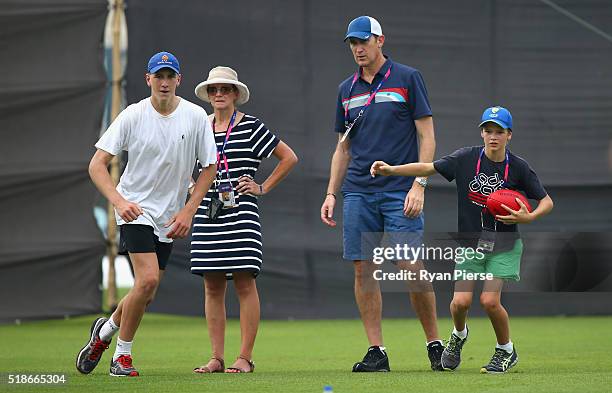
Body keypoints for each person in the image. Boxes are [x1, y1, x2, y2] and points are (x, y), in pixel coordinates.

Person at [371, 105, 554, 373]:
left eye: (499, 131)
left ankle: (506, 350)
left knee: (490, 301)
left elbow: (547, 201)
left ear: (509, 135)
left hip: (504, 245)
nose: (493, 136)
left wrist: (530, 217)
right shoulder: (466, 158)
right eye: (488, 130)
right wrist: (391, 170)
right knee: (460, 303)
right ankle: (458, 335)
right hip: (471, 244)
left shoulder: (518, 167)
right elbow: (428, 167)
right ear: (481, 133)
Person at [76, 51, 218, 377]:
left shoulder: (196, 117)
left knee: (146, 292)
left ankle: (104, 333)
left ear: (179, 80)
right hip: (135, 209)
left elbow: (209, 167)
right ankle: (120, 358)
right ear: (148, 79)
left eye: (170, 76)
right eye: (159, 76)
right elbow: (97, 165)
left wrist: (188, 210)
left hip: (170, 217)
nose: (164, 82)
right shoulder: (132, 115)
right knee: (149, 279)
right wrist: (120, 201)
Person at [320, 16, 443, 372]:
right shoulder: (346, 89)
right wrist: (331, 193)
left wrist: (420, 183)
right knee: (364, 269)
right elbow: (342, 148)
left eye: (363, 41)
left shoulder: (407, 78)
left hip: (400, 189)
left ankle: (435, 343)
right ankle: (377, 352)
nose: (358, 49)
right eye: (352, 44)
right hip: (358, 191)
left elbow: (428, 136)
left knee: (409, 264)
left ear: (380, 41)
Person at [190, 66, 298, 374]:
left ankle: (245, 358)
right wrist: (191, 187)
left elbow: (289, 157)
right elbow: (183, 159)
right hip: (208, 213)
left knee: (244, 283)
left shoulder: (251, 126)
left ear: (236, 94)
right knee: (211, 286)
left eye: (225, 89)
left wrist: (262, 187)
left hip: (241, 214)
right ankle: (216, 357)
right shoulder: (199, 127)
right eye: (214, 90)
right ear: (208, 95)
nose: (219, 94)